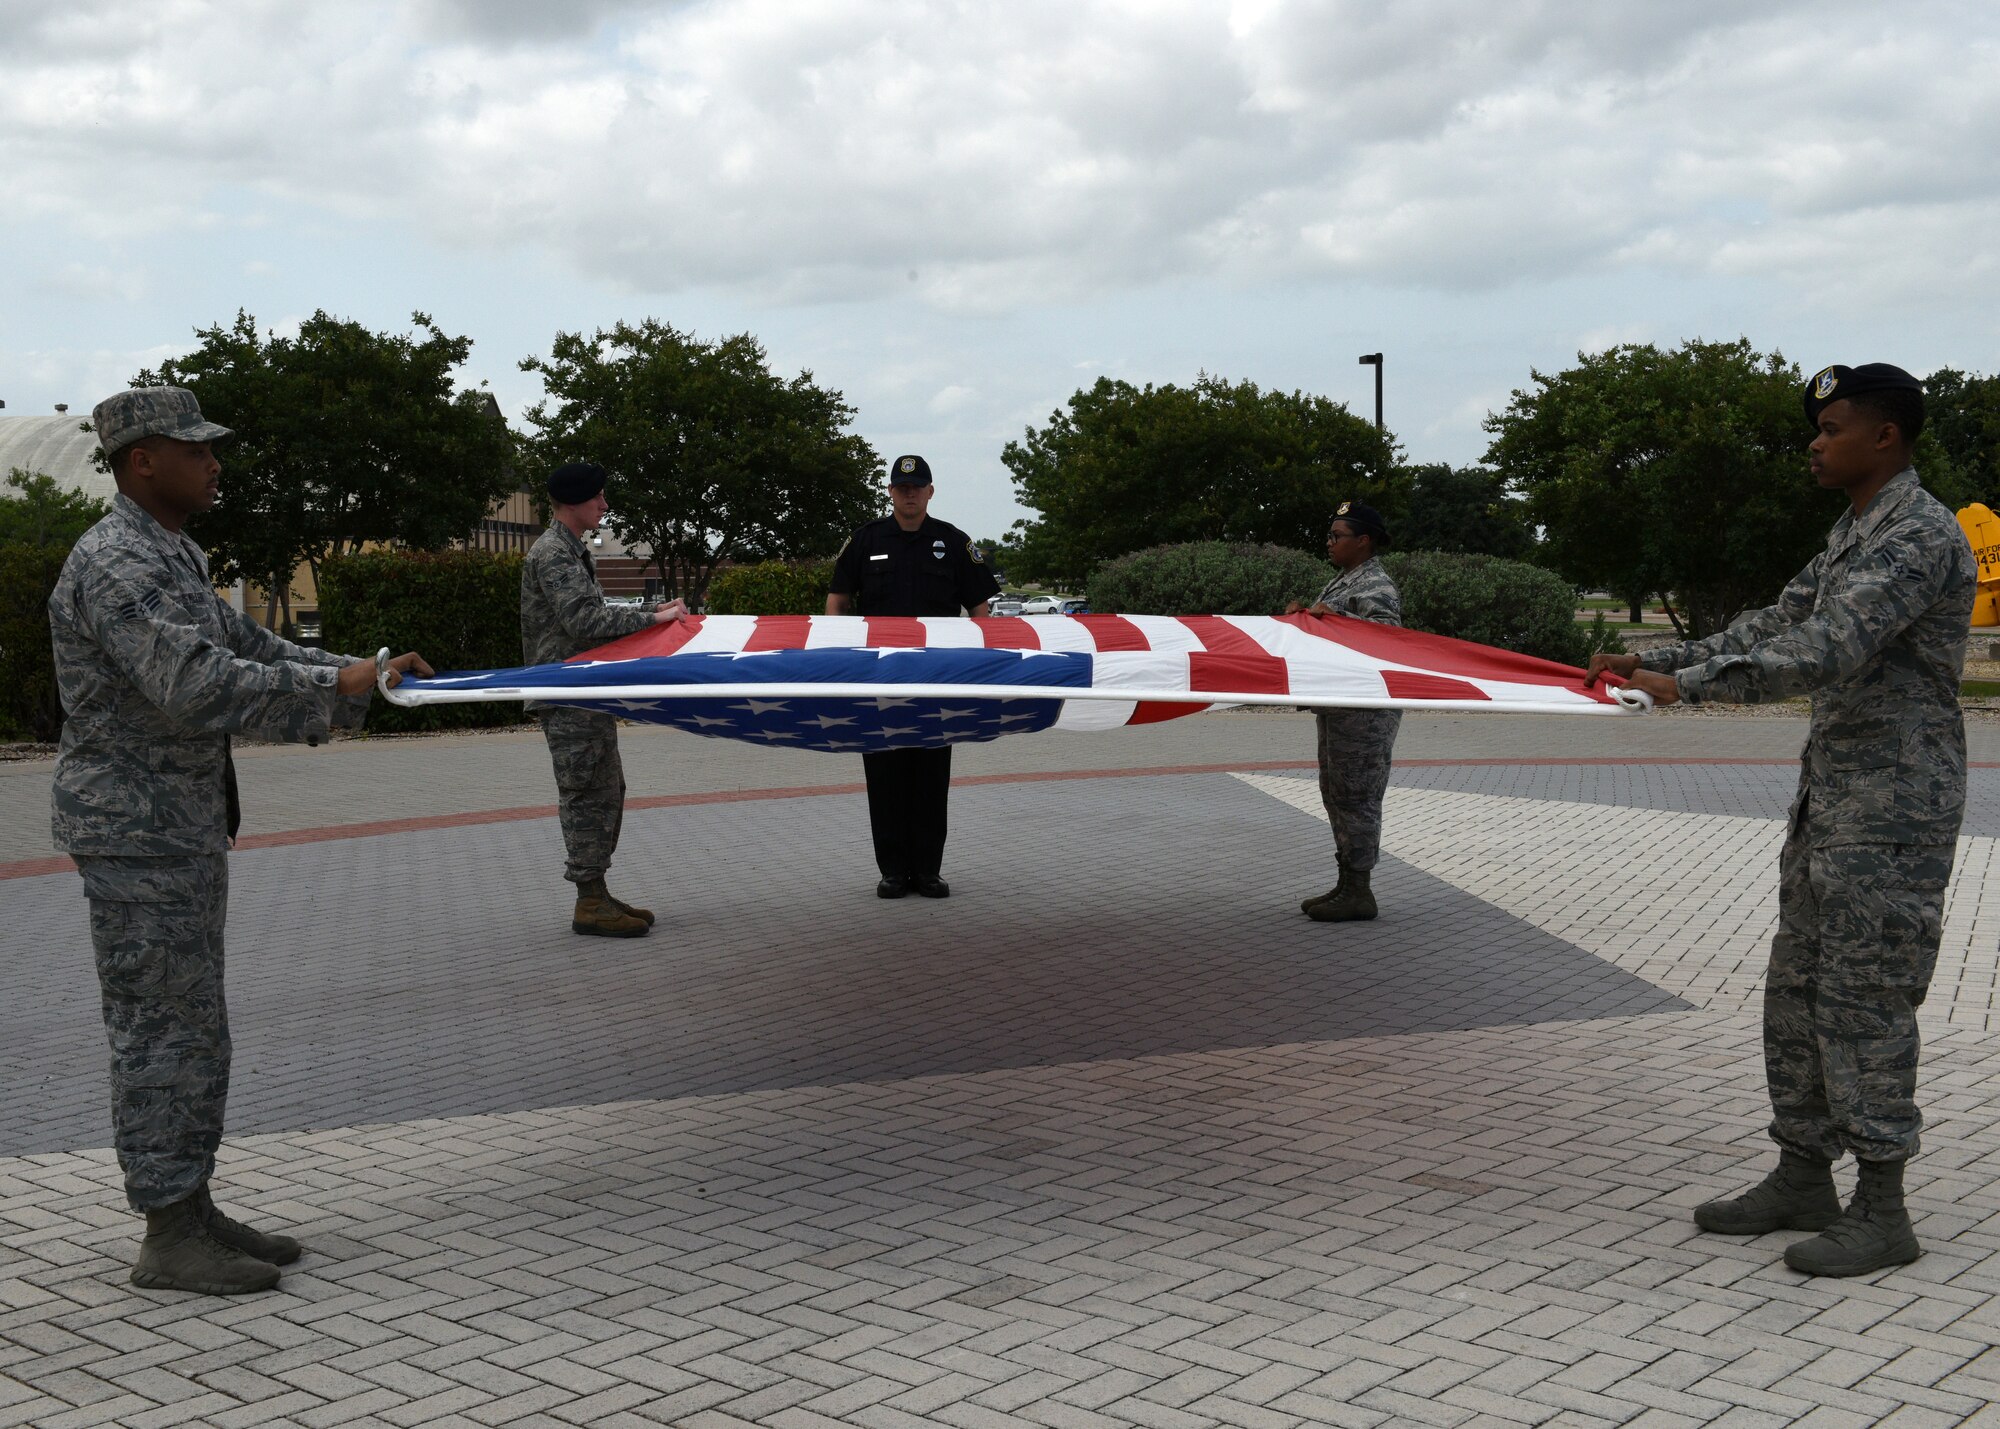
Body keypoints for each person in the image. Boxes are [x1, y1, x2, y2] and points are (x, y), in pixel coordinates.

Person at [1587, 363, 1974, 1277]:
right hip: (1836, 801)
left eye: (1831, 426)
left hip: (1894, 812)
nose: (1815, 439)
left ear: (1884, 437)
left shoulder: (1918, 533)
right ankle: (1805, 1173)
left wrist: (1685, 687)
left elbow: (1822, 647)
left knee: (1868, 998)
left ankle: (1885, 1208)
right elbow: (1771, 621)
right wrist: (1658, 656)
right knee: (1799, 989)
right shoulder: (1854, 531)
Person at [49, 386, 434, 1296]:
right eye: (196, 449)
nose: (214, 461)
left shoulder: (169, 551)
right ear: (142, 459)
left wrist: (361, 675)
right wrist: (338, 683)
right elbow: (194, 680)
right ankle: (168, 1231)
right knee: (159, 1031)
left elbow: (248, 645)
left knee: (194, 1027)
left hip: (170, 829)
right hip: (134, 835)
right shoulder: (114, 563)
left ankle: (192, 1202)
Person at [521, 461, 687, 938]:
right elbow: (586, 623)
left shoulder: (570, 550)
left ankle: (597, 890)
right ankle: (589, 901)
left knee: (606, 790)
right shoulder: (554, 553)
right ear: (572, 503)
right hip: (566, 694)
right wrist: (653, 623)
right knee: (586, 793)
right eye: (597, 497)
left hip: (583, 692)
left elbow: (595, 609)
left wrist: (651, 609)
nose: (604, 504)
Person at [827, 454, 999, 898]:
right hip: (878, 679)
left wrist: (978, 662)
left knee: (929, 775)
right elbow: (838, 601)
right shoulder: (865, 540)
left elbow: (980, 608)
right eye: (901, 487)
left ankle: (927, 871)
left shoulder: (953, 542)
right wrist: (839, 657)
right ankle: (891, 871)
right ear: (890, 492)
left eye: (917, 487)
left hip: (936, 681)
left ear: (930, 491)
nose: (909, 494)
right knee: (883, 776)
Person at [1286, 501, 1403, 922]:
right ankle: (1346, 881)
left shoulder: (1376, 586)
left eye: (1338, 536)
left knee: (1357, 796)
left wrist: (1335, 618)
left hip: (1365, 711)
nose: (1330, 542)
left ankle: (1359, 891)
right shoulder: (1344, 580)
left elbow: (1388, 640)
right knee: (1336, 792)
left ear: (1364, 540)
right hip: (1340, 706)